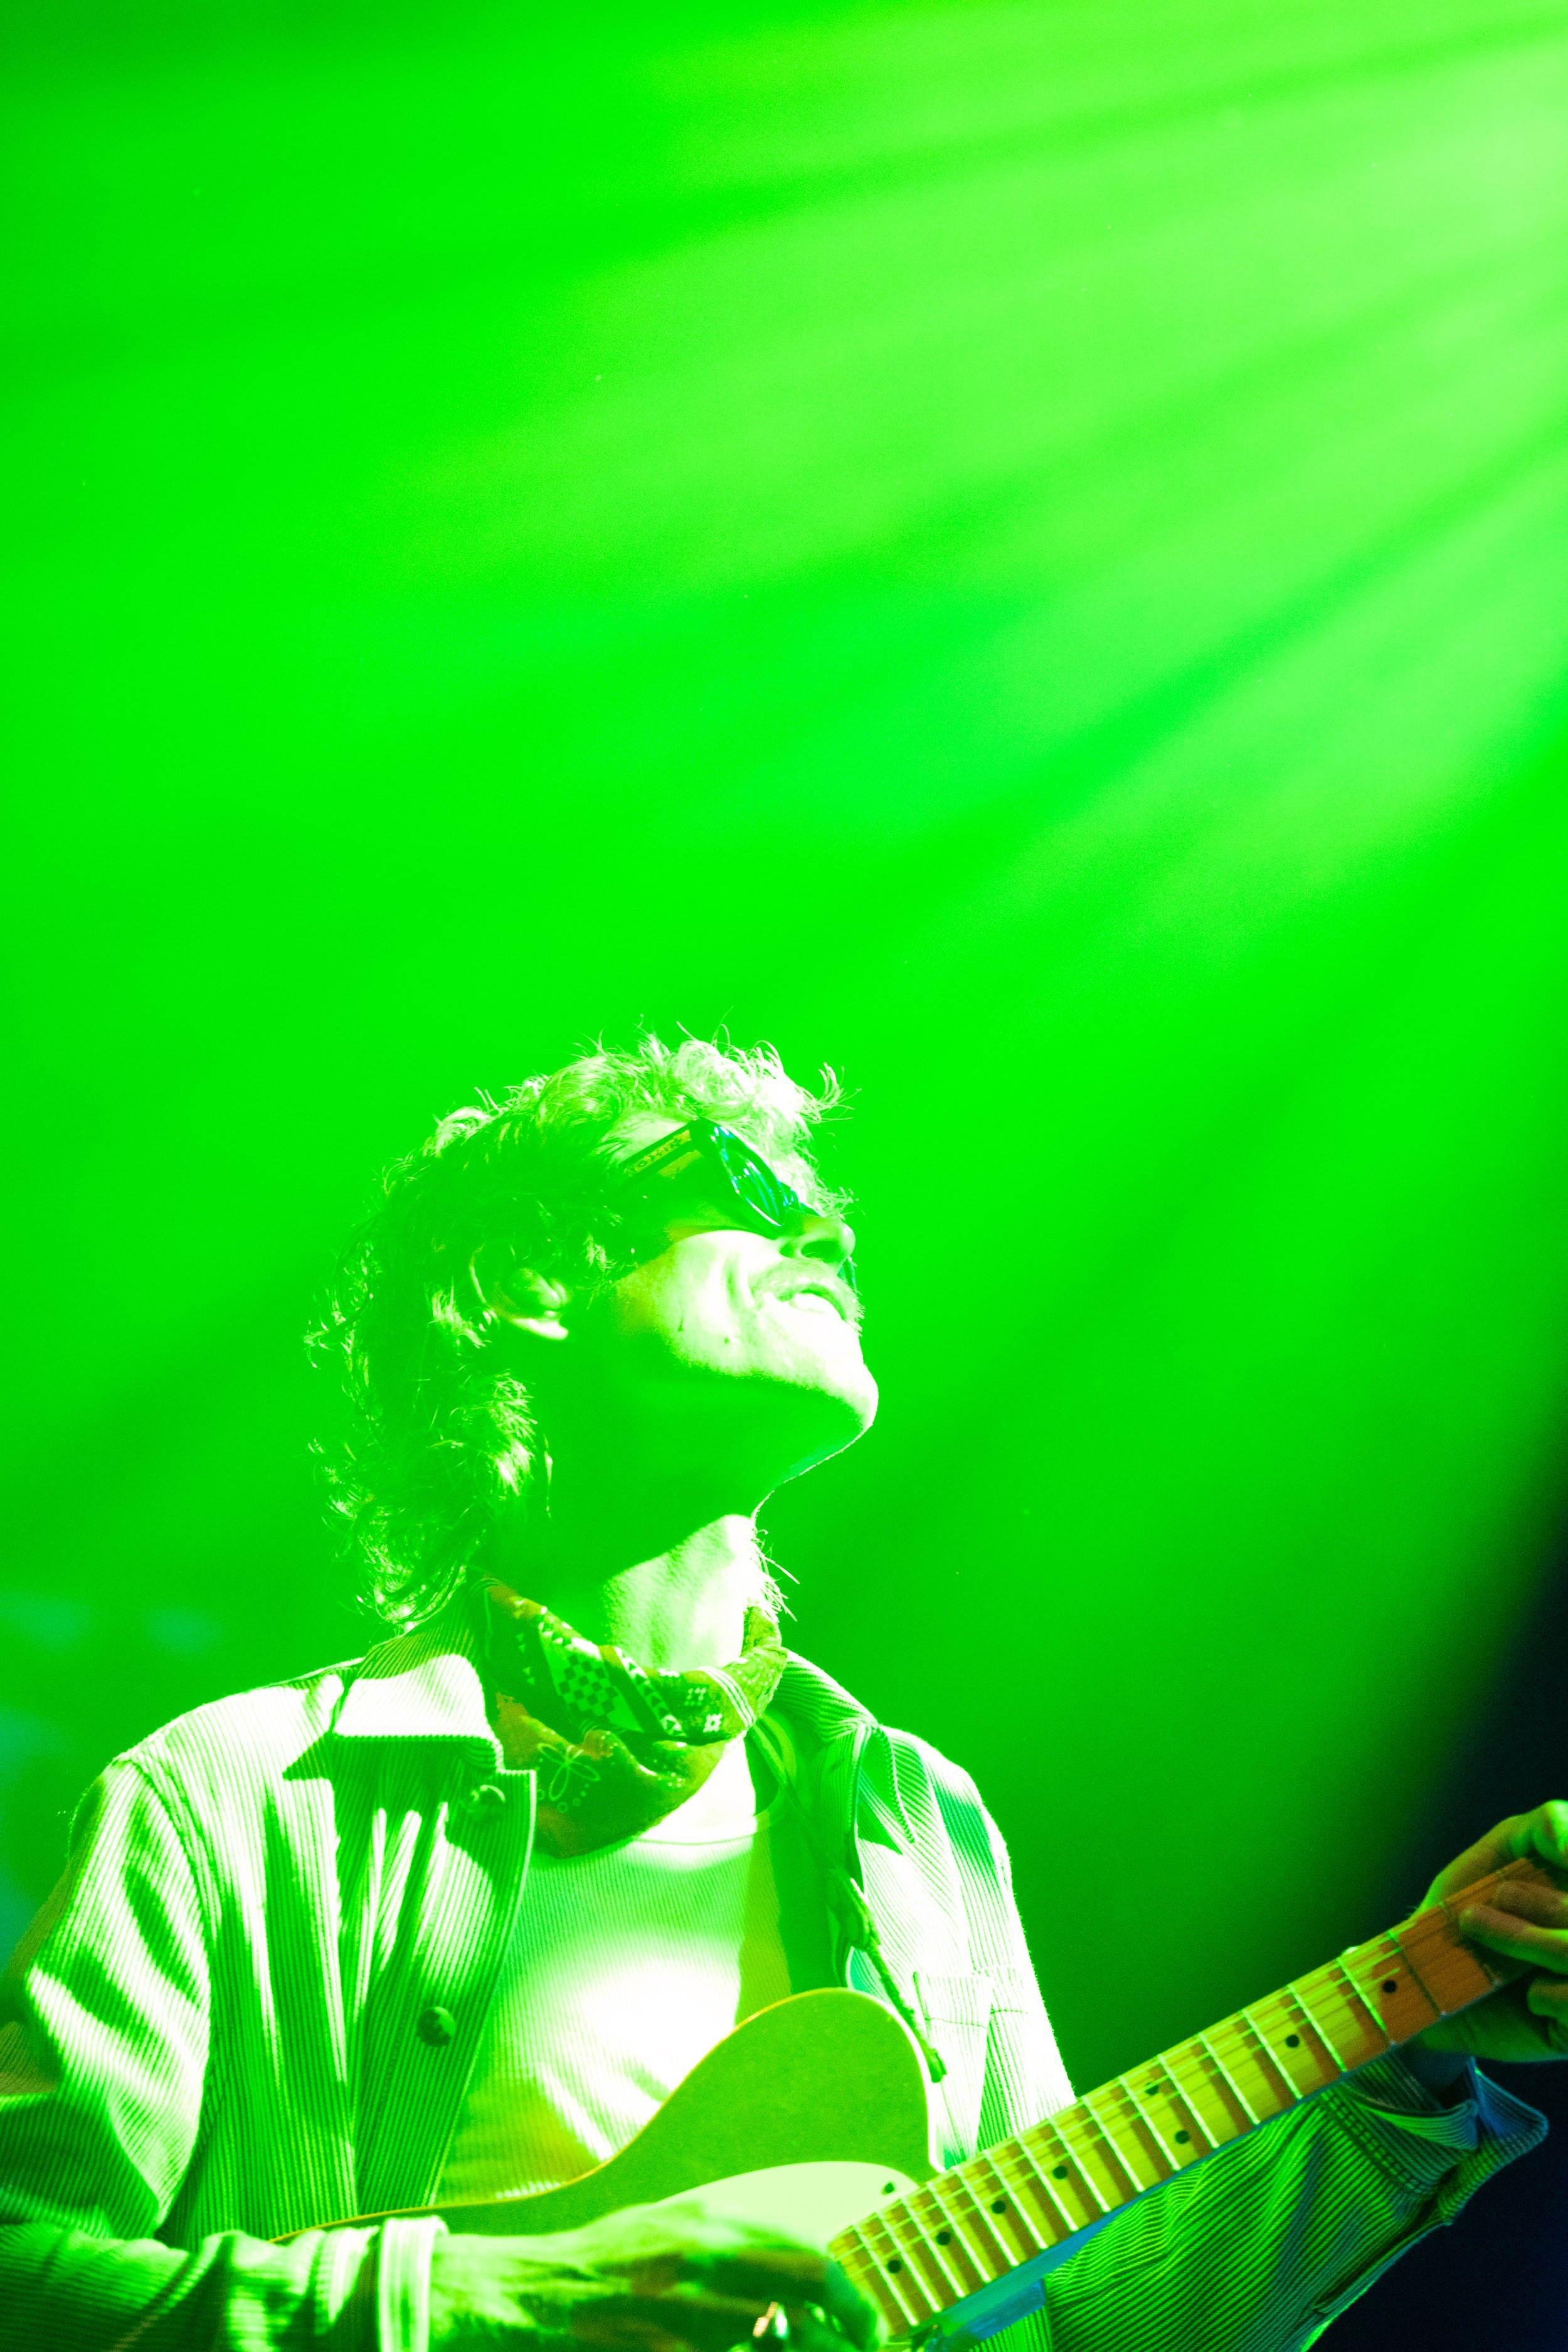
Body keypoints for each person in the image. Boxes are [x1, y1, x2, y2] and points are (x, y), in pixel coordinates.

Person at [1, 1034, 1565, 2352]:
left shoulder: (912, 1820)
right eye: (751, 1187)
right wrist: (473, 2303)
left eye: (831, 1218)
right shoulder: (229, 1797)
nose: (823, 1237)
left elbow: (1065, 2324)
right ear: (527, 1284)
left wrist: (1405, 2037)